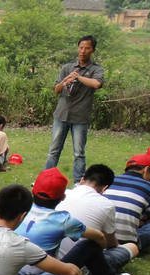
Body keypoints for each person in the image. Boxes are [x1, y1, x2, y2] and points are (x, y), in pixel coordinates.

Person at [14, 168, 132, 275]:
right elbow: (100, 237)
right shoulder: (62, 220)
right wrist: (100, 248)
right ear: (63, 197)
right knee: (91, 245)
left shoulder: (21, 211)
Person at [55, 164, 139, 273]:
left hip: (49, 261)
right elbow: (111, 243)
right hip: (78, 265)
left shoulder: (63, 194)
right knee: (132, 247)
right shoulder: (106, 205)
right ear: (105, 188)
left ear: (82, 180)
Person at [43, 35, 105, 183]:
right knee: (54, 150)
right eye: (81, 47)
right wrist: (65, 81)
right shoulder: (67, 67)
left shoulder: (96, 69)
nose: (83, 51)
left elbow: (96, 84)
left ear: (93, 50)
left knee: (79, 152)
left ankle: (79, 182)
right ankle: (46, 179)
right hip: (61, 115)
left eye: (87, 48)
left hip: (80, 117)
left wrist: (78, 78)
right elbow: (56, 89)